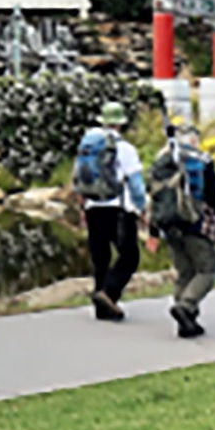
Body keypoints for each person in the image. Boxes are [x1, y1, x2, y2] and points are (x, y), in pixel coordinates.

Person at [146, 122, 215, 339]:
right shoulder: (201, 160)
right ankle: (186, 306)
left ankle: (187, 323)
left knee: (184, 272)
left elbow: (155, 198)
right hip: (194, 222)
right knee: (206, 270)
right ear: (194, 139)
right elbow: (214, 194)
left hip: (169, 225)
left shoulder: (160, 161)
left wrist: (153, 232)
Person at [77, 101, 146, 323]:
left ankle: (101, 307)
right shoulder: (125, 149)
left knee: (101, 256)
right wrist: (142, 207)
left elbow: (78, 178)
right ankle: (109, 293)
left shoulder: (87, 145)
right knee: (129, 256)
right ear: (121, 124)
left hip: (93, 206)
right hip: (119, 208)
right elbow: (135, 183)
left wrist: (82, 205)